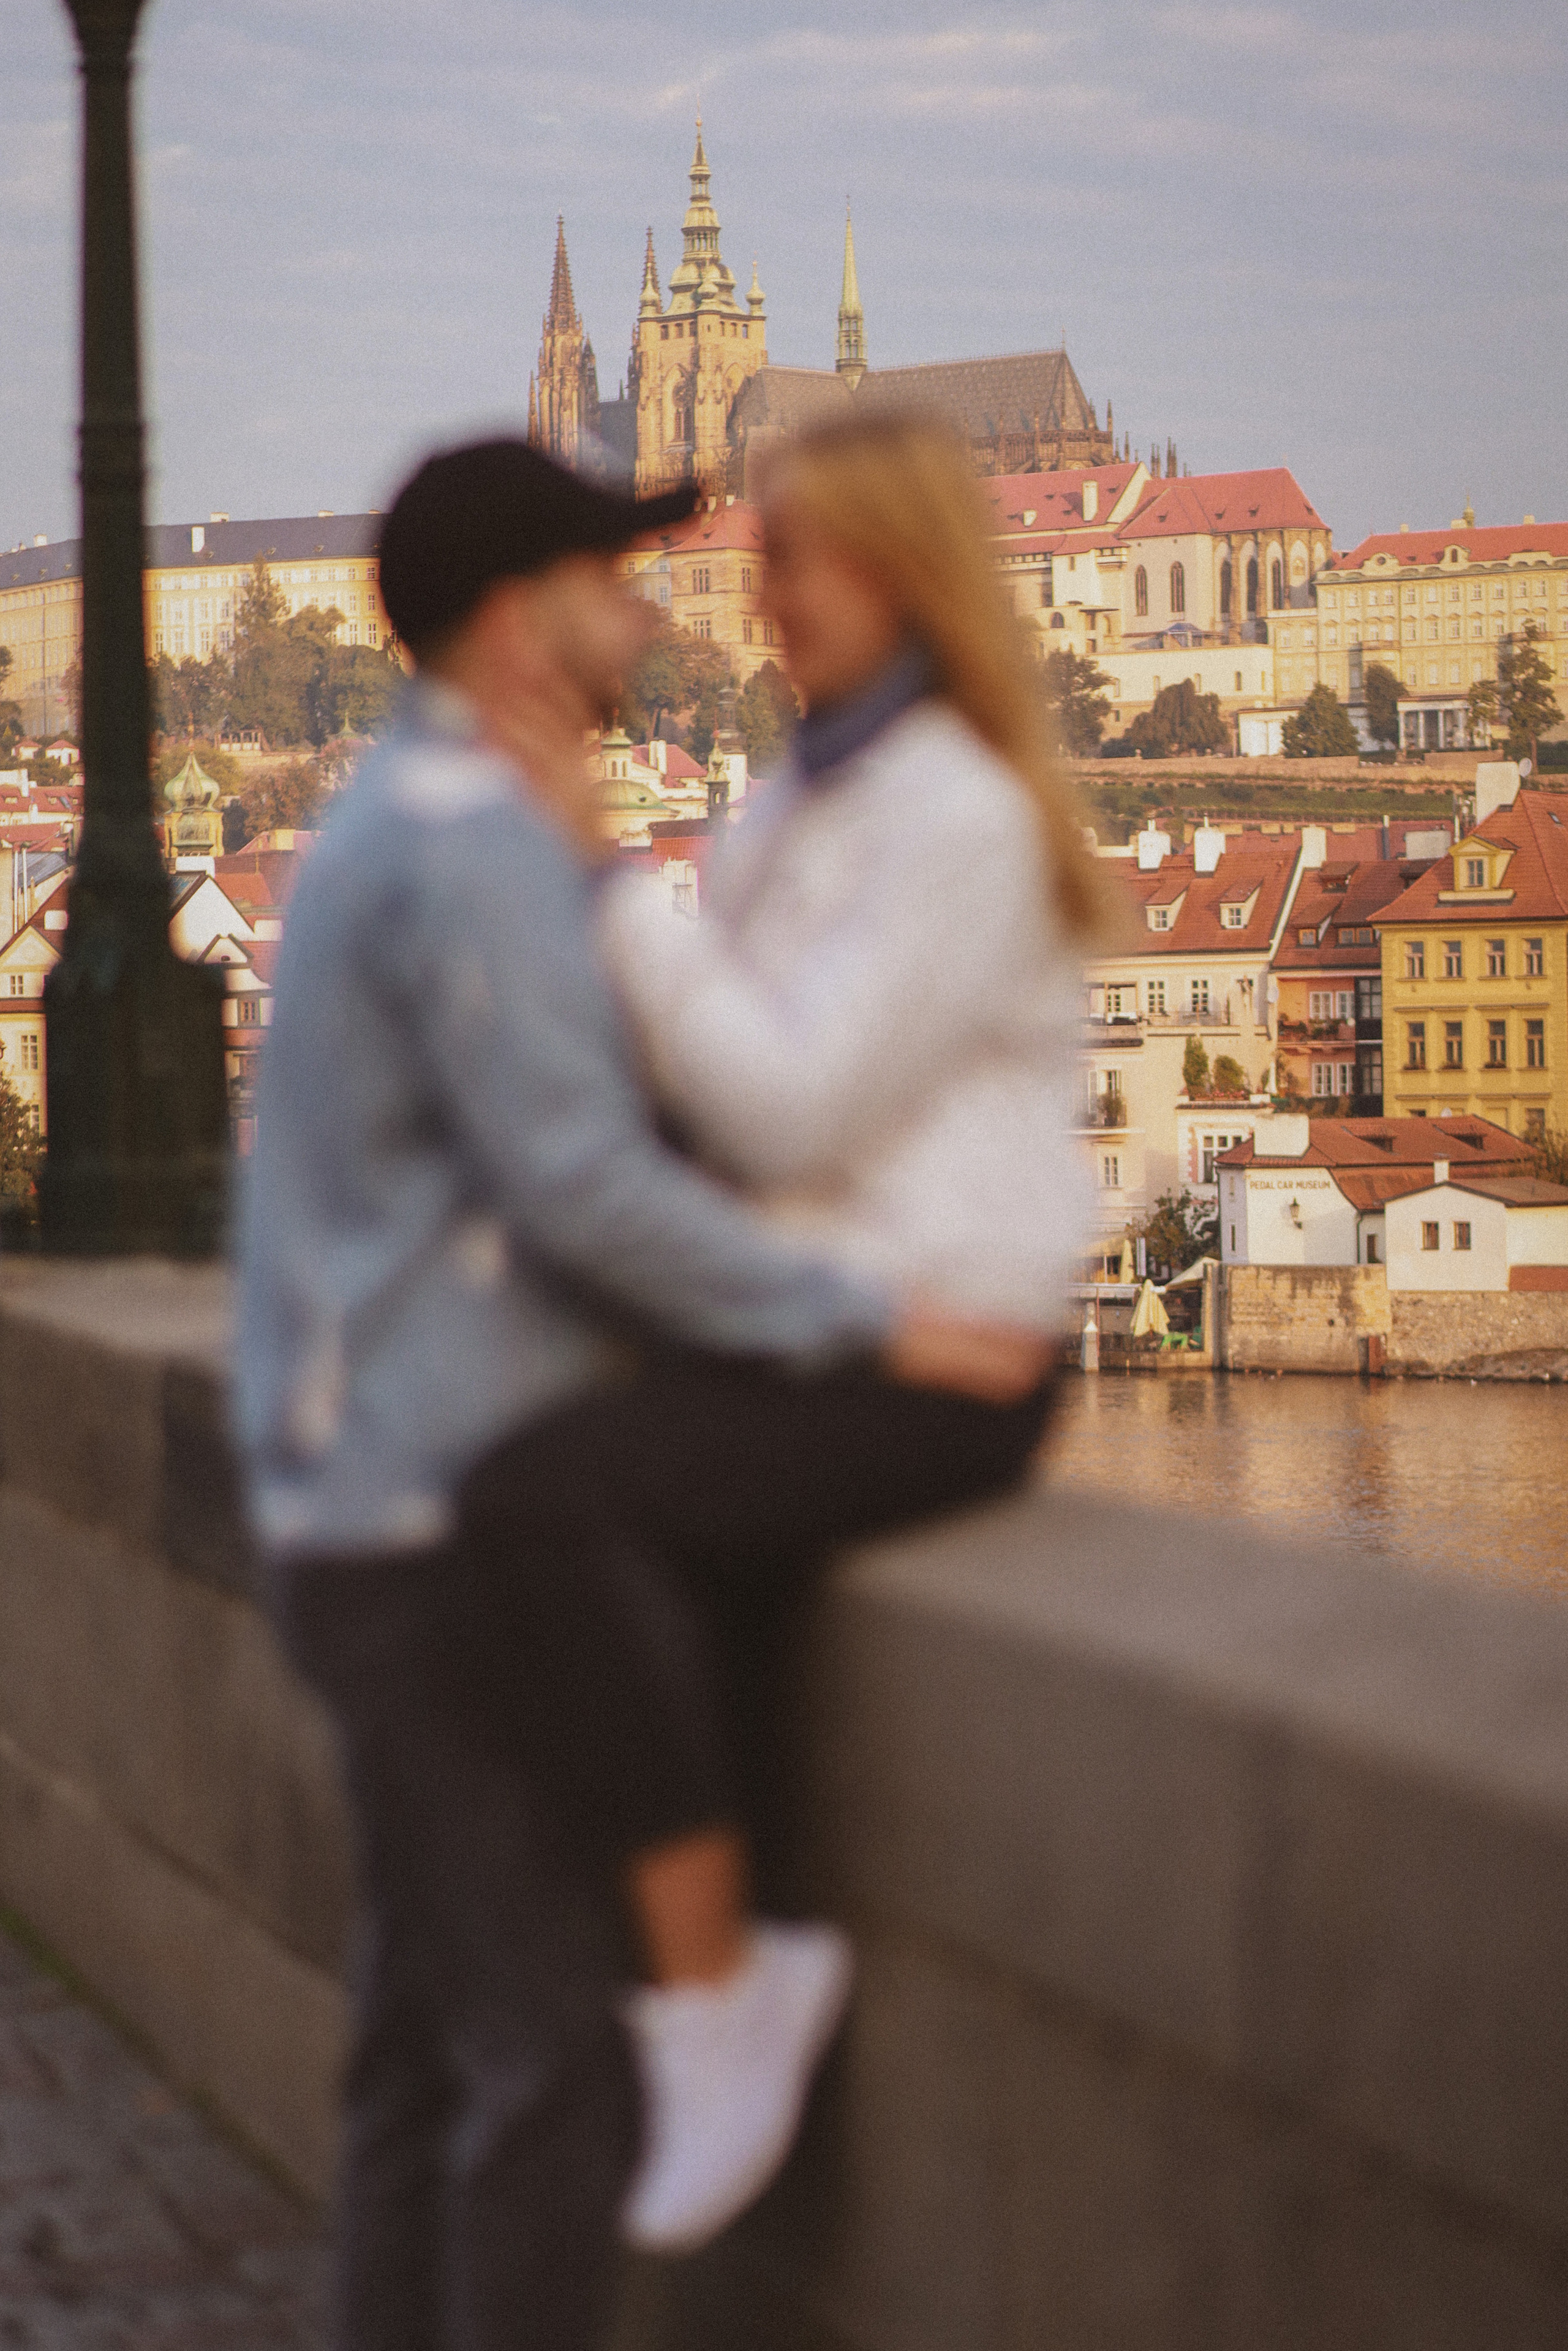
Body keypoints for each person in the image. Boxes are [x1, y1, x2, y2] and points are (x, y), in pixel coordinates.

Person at [234, 437, 1048, 2351]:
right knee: (548, 2072)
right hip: (431, 1514)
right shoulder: (472, 848)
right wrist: (867, 1318)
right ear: (528, 619)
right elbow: (587, 1189)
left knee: (424, 2057)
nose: (662, 606)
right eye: (623, 576)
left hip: (371, 1488)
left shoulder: (394, 816)